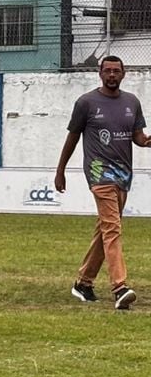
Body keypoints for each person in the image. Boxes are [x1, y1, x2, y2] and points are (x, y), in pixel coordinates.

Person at [55, 55, 149, 310]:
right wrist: (60, 170)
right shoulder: (86, 102)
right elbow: (72, 138)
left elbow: (138, 137)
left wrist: (148, 141)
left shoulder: (132, 102)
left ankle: (83, 283)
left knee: (105, 229)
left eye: (116, 71)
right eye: (107, 71)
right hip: (99, 173)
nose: (111, 75)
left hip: (123, 175)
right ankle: (120, 287)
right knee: (112, 229)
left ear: (123, 74)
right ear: (100, 73)